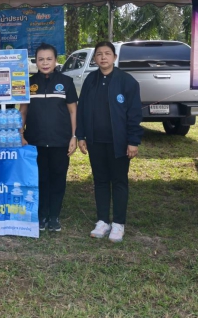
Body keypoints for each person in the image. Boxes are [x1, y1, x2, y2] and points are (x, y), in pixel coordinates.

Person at [76, 41, 143, 243]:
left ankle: (118, 223)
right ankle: (103, 221)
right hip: (95, 141)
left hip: (119, 143)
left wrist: (133, 141)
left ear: (114, 57)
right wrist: (81, 136)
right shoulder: (90, 80)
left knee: (119, 181)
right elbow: (82, 109)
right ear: (95, 59)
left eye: (107, 53)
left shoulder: (127, 81)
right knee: (100, 181)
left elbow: (134, 114)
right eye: (99, 54)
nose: (103, 57)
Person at [20, 43, 77, 233]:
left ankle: (54, 216)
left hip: (60, 141)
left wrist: (74, 136)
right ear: (36, 61)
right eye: (41, 59)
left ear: (56, 60)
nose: (45, 63)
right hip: (34, 140)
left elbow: (73, 111)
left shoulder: (66, 82)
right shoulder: (28, 83)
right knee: (40, 179)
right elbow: (23, 111)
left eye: (49, 59)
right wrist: (20, 133)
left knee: (58, 178)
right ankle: (41, 215)